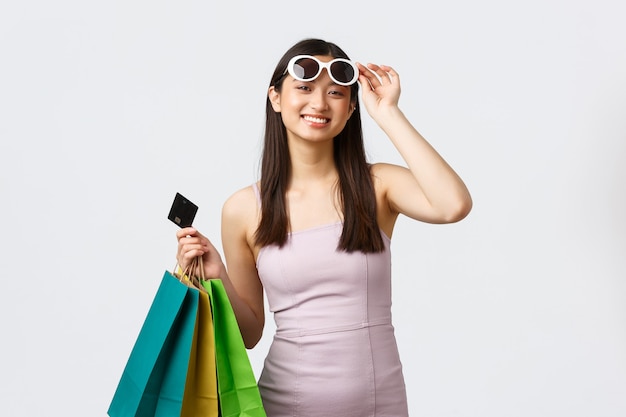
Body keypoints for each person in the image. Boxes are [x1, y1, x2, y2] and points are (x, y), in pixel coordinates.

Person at [176, 38, 472, 416]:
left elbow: (453, 205)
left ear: (351, 108)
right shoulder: (243, 208)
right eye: (304, 88)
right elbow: (249, 334)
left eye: (335, 93)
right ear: (276, 97)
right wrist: (216, 275)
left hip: (379, 402)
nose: (319, 103)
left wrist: (388, 114)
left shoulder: (377, 186)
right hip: (286, 404)